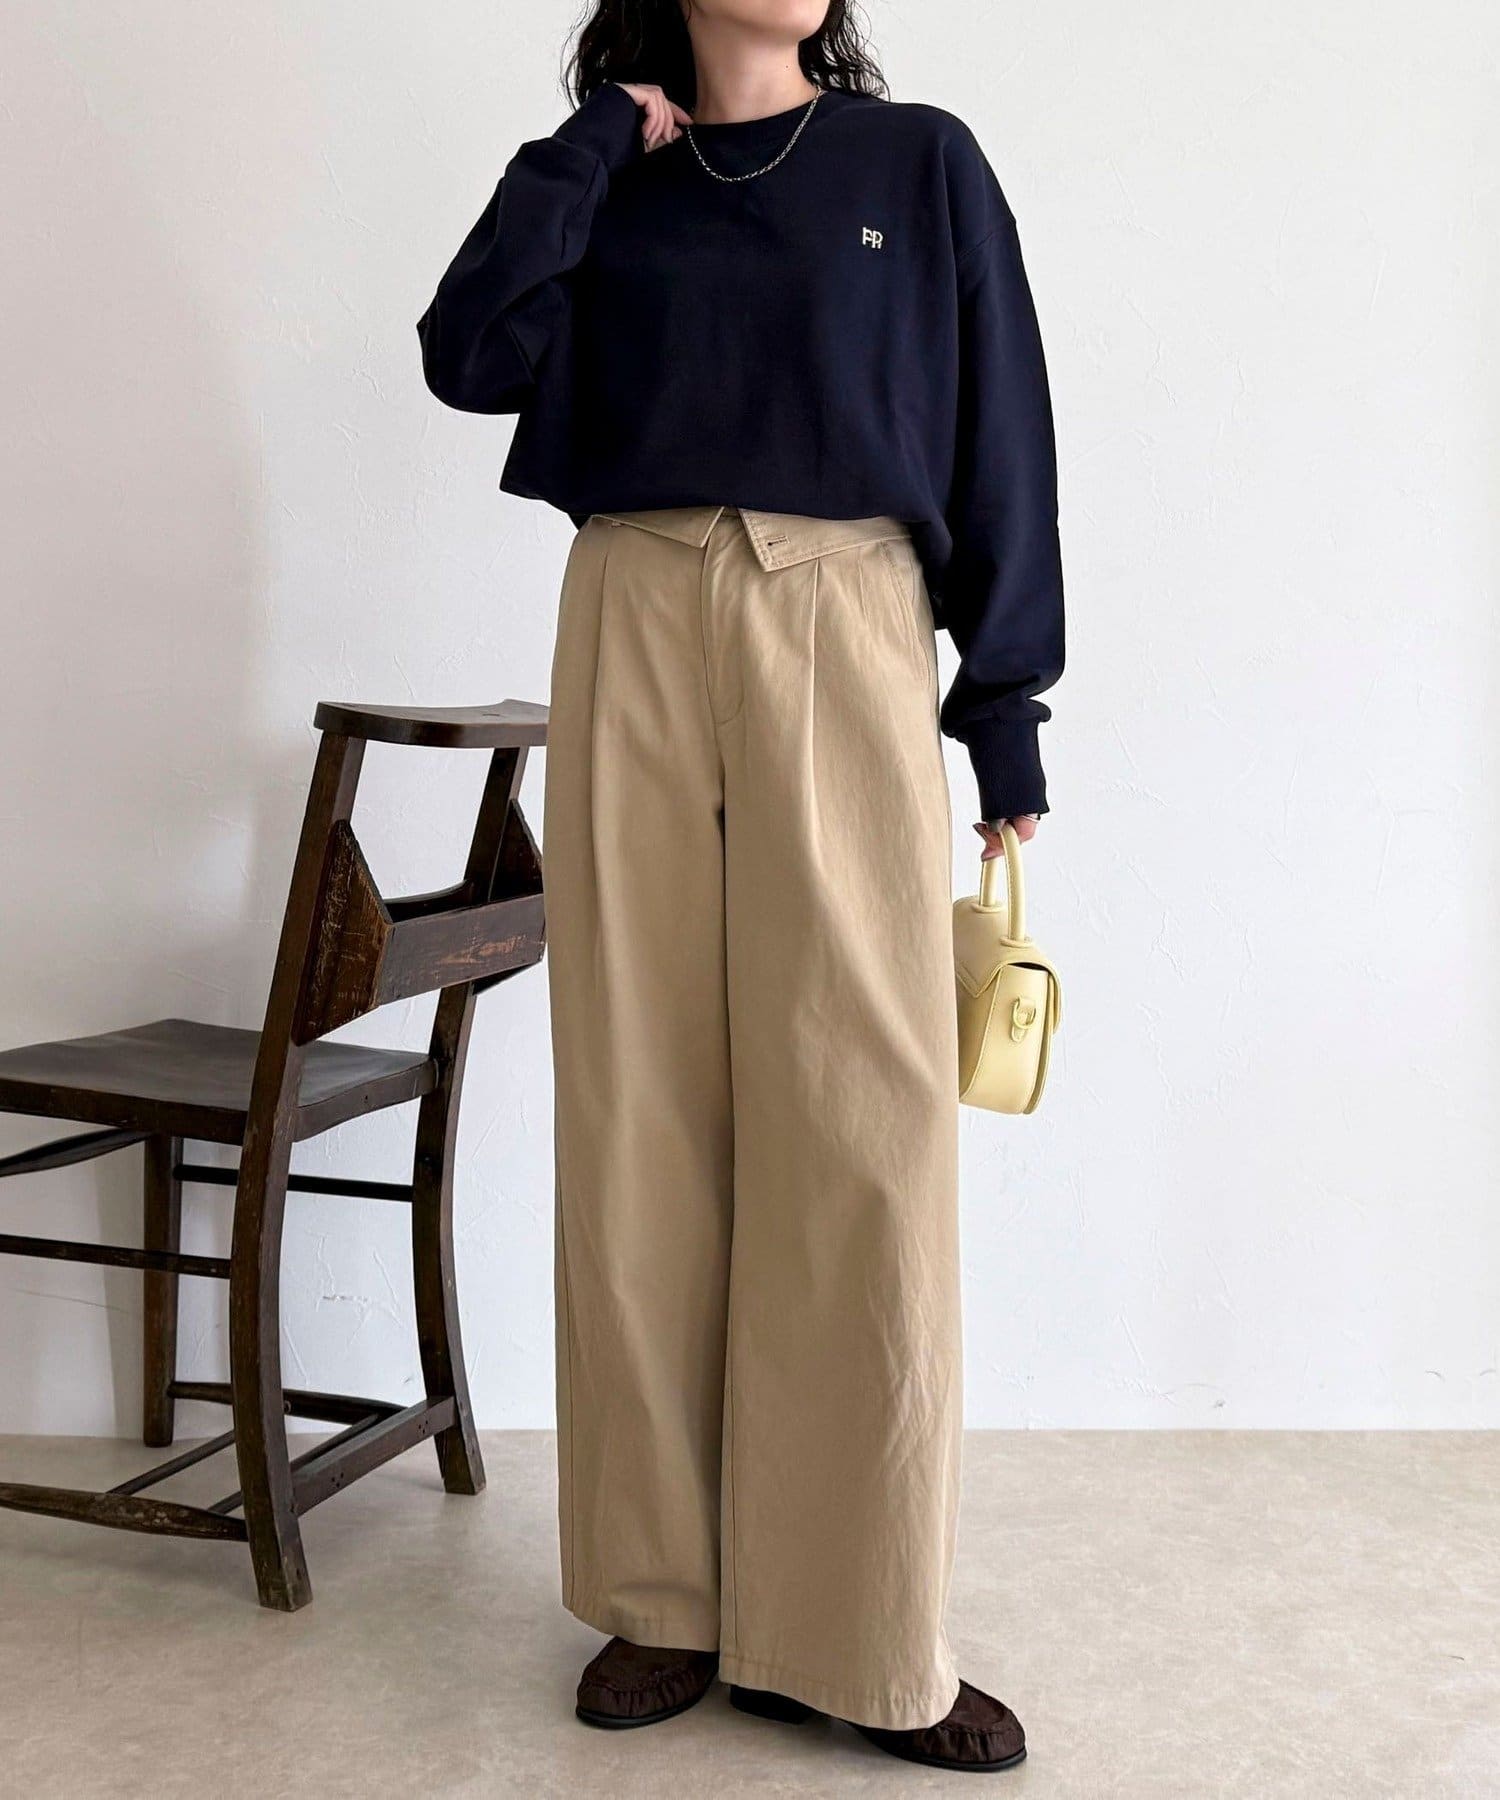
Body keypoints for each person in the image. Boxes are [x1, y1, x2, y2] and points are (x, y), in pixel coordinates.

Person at [416, 0, 1063, 1775]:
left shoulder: (916, 160)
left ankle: (857, 1621)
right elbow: (468, 353)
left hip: (842, 611)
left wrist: (1003, 714)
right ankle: (664, 1595)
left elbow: (1000, 423)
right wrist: (587, 147)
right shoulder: (609, 177)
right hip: (630, 605)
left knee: (861, 1115)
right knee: (638, 1106)